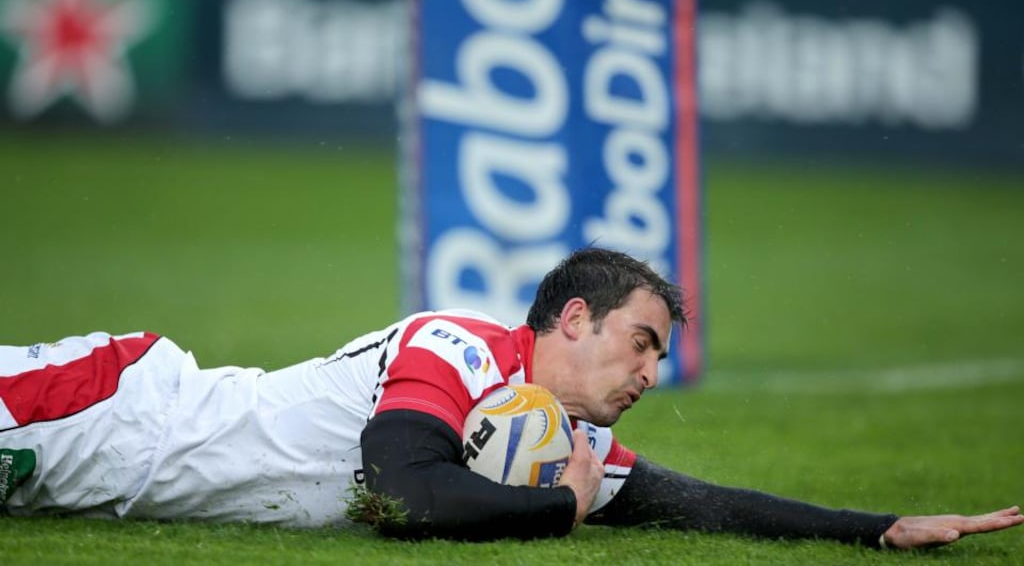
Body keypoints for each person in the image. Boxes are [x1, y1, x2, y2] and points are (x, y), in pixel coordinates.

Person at [0, 248, 1019, 549]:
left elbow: (699, 503)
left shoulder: (560, 436)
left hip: (104, 478)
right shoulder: (454, 345)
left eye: (659, 356)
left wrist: (878, 528)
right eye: (640, 342)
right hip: (106, 407)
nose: (650, 373)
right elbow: (403, 489)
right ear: (571, 321)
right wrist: (558, 510)